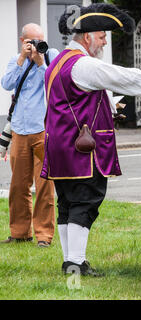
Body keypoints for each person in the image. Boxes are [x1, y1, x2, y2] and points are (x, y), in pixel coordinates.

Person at [42, 3, 141, 276]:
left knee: (67, 204)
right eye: (101, 36)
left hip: (59, 145)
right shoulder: (83, 64)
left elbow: (74, 97)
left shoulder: (59, 61)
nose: (105, 41)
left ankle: (71, 261)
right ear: (87, 37)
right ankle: (75, 264)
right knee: (85, 202)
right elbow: (122, 77)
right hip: (80, 149)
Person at [0, 23, 59, 248]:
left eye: (39, 40)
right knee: (18, 185)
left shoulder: (50, 56)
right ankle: (19, 232)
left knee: (44, 184)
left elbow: (55, 84)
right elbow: (6, 84)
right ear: (22, 41)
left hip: (43, 129)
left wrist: (40, 63)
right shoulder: (16, 60)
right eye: (31, 41)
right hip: (20, 130)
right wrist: (22, 60)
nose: (36, 45)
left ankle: (44, 236)